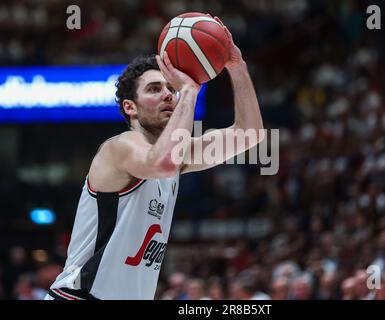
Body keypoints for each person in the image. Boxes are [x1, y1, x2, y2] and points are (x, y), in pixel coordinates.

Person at [44, 19, 264, 300]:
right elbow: (163, 163)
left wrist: (237, 66)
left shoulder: (177, 154)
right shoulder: (119, 148)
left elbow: (250, 135)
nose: (167, 96)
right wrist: (189, 91)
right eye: (153, 89)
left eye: (169, 89)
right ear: (130, 107)